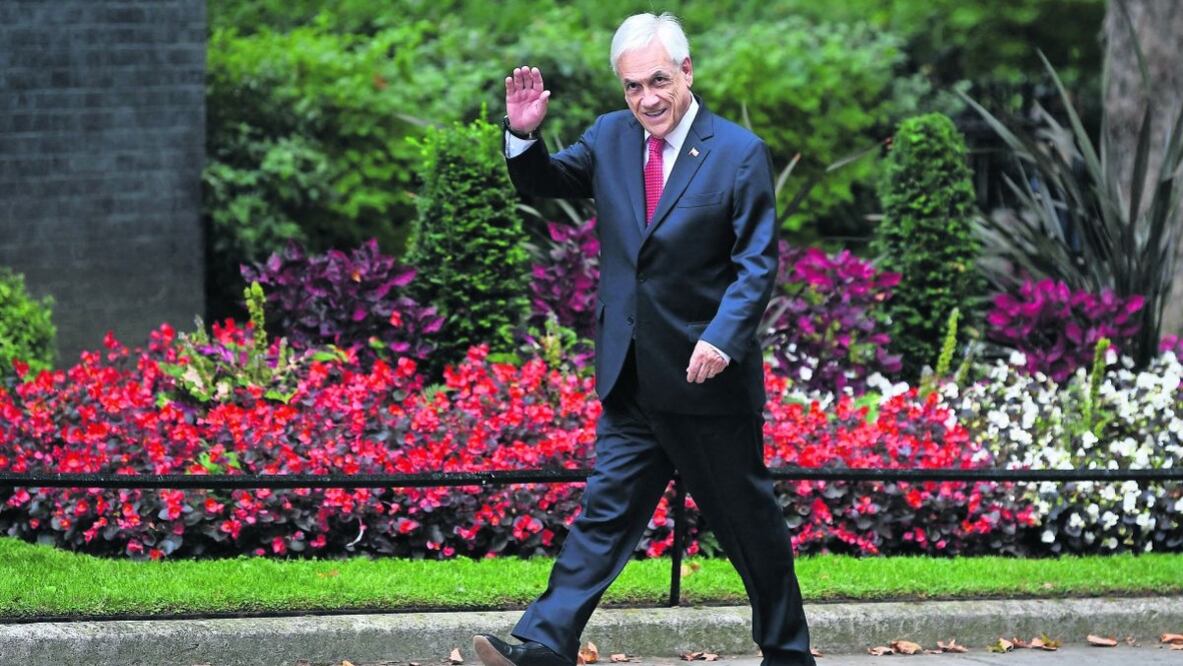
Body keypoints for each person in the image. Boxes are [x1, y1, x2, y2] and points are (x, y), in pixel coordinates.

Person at [473, 12, 816, 666]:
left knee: (749, 531)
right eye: (632, 87)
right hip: (631, 379)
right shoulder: (609, 137)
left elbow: (756, 261)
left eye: (657, 80)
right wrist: (521, 137)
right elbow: (547, 181)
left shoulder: (737, 151)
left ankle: (787, 653)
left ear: (686, 72)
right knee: (601, 520)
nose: (646, 98)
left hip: (705, 382)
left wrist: (722, 337)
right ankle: (543, 645)